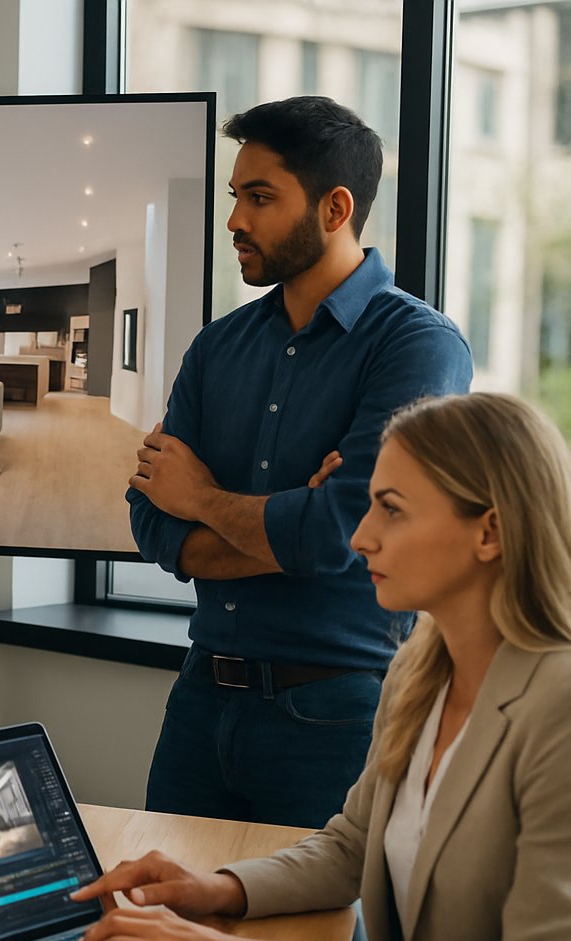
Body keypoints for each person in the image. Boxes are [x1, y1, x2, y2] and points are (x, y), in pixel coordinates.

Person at [73, 391, 571, 941]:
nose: (360, 538)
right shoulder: (419, 671)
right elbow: (351, 849)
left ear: (490, 531)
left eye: (391, 511)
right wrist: (218, 890)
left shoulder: (557, 711)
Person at [126, 96, 473, 828]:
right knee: (163, 927)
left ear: (334, 207)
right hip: (197, 697)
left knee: (315, 939)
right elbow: (152, 522)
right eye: (235, 198)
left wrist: (203, 498)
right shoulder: (216, 348)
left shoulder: (418, 347)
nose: (235, 222)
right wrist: (289, 523)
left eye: (260, 198)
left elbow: (340, 532)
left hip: (335, 715)